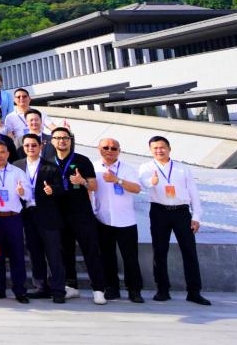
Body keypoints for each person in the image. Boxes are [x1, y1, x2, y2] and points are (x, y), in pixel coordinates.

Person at [139, 136, 209, 305]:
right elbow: (142, 183)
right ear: (150, 150)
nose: (159, 150)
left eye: (162, 147)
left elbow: (193, 192)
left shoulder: (182, 168)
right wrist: (151, 182)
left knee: (189, 251)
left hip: (181, 212)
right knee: (160, 251)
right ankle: (162, 290)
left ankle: (194, 292)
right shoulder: (146, 167)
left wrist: (196, 216)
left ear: (169, 149)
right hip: (159, 211)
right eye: (155, 148)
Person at [49, 126, 107, 305]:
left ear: (70, 140)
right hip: (60, 214)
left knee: (91, 251)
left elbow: (94, 186)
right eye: (58, 138)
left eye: (65, 138)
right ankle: (71, 286)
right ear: (52, 141)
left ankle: (98, 289)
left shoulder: (82, 160)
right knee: (65, 252)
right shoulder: (48, 162)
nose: (62, 141)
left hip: (81, 213)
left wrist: (82, 181)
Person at [92, 137, 144, 303]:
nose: (109, 151)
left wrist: (117, 180)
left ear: (119, 151)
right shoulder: (94, 167)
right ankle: (111, 288)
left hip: (125, 221)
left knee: (130, 258)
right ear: (99, 149)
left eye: (113, 148)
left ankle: (134, 290)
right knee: (107, 257)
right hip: (103, 219)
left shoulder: (127, 168)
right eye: (105, 147)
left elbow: (137, 188)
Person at [0, 140, 32, 303]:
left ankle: (20, 291)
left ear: (8, 154)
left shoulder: (17, 172)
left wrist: (22, 192)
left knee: (17, 256)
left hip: (13, 218)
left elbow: (29, 195)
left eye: (2, 152)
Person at [19, 133, 67, 303]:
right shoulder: (17, 166)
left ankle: (58, 290)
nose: (30, 148)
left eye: (34, 145)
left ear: (40, 147)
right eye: (27, 145)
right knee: (34, 253)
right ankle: (41, 287)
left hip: (47, 215)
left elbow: (61, 189)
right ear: (23, 147)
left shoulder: (51, 166)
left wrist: (52, 190)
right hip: (27, 215)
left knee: (53, 254)